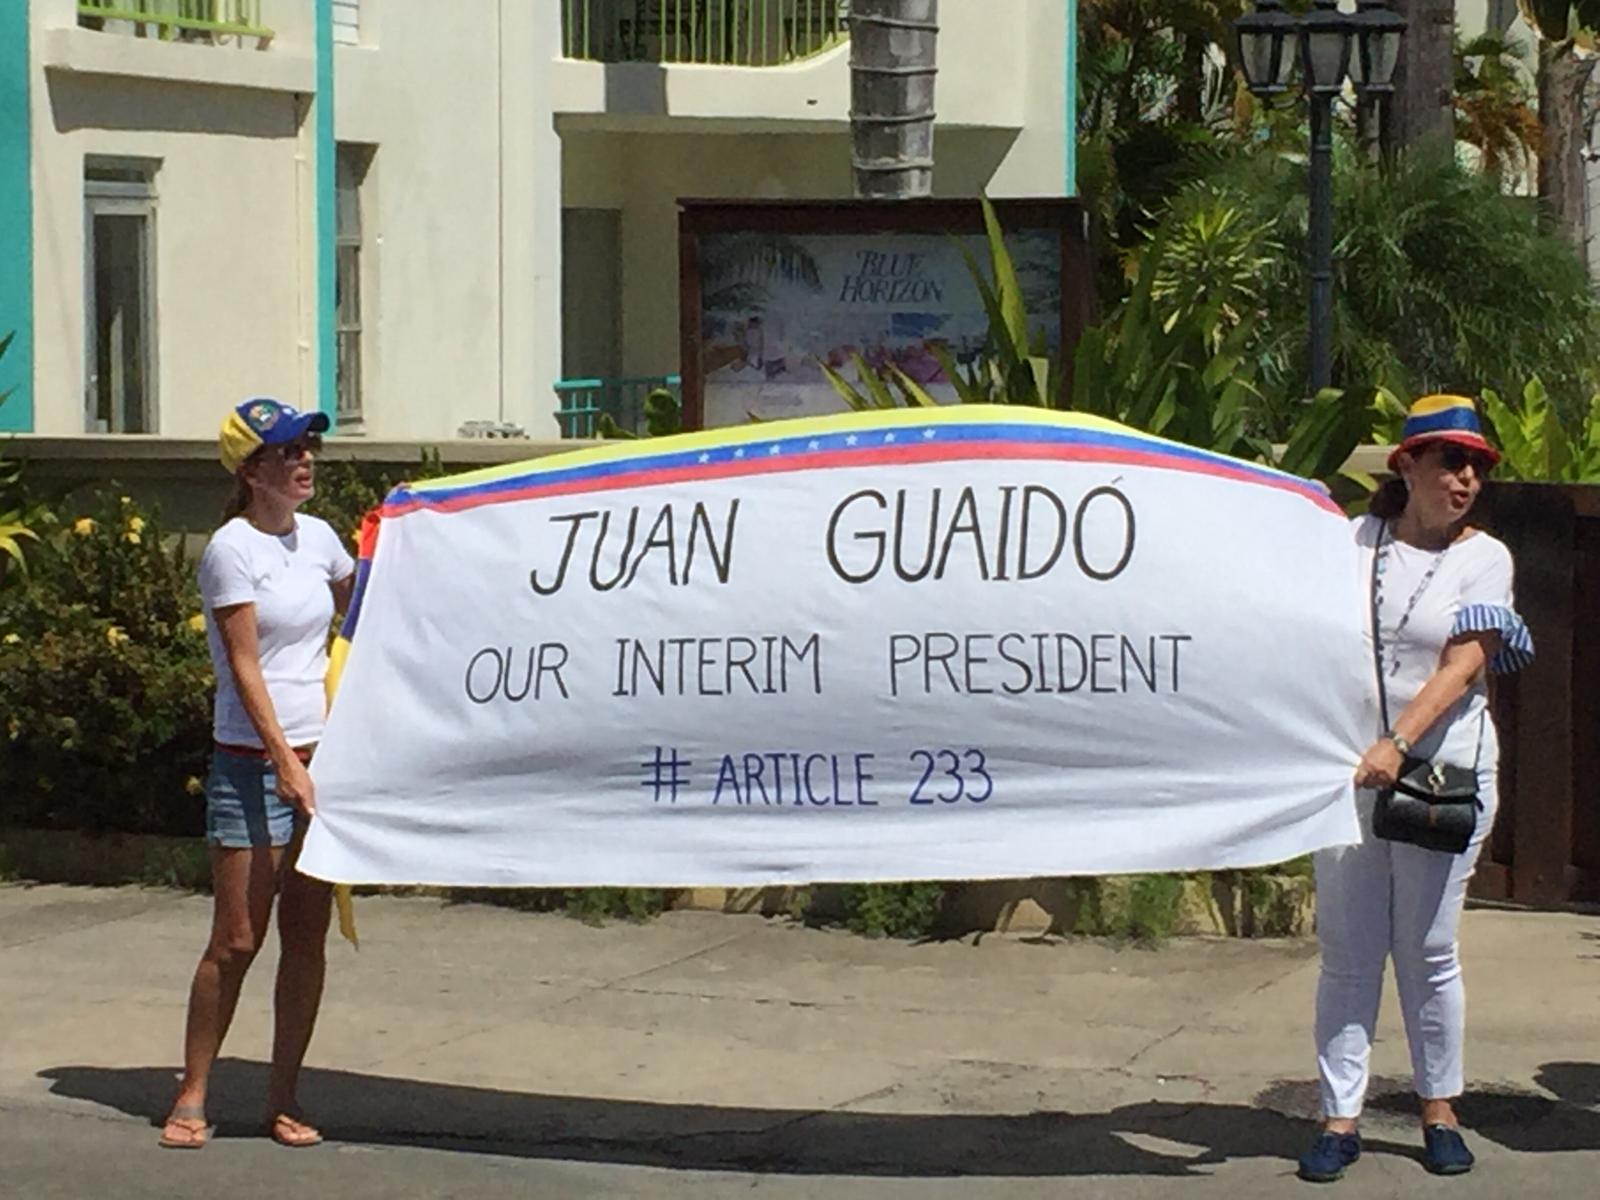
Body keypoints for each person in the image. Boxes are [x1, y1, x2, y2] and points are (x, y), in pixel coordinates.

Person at [1298, 395, 1534, 1183]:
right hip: (1347, 773)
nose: (1464, 477)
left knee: (1427, 950)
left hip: (1441, 774)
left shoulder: (1484, 557)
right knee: (1349, 951)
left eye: (1475, 466)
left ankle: (1440, 1108)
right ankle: (1340, 1117)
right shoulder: (1349, 543)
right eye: (1448, 461)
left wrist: (1397, 743)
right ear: (1406, 467)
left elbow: (1464, 661)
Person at [160, 398, 354, 1150]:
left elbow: (365, 609)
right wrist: (281, 763)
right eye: (287, 452)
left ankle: (284, 1097)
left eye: (308, 448)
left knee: (307, 939)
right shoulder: (230, 549)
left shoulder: (321, 539)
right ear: (250, 471)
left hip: (322, 758)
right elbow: (245, 666)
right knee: (238, 939)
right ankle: (193, 1091)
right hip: (252, 764)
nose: (304, 461)